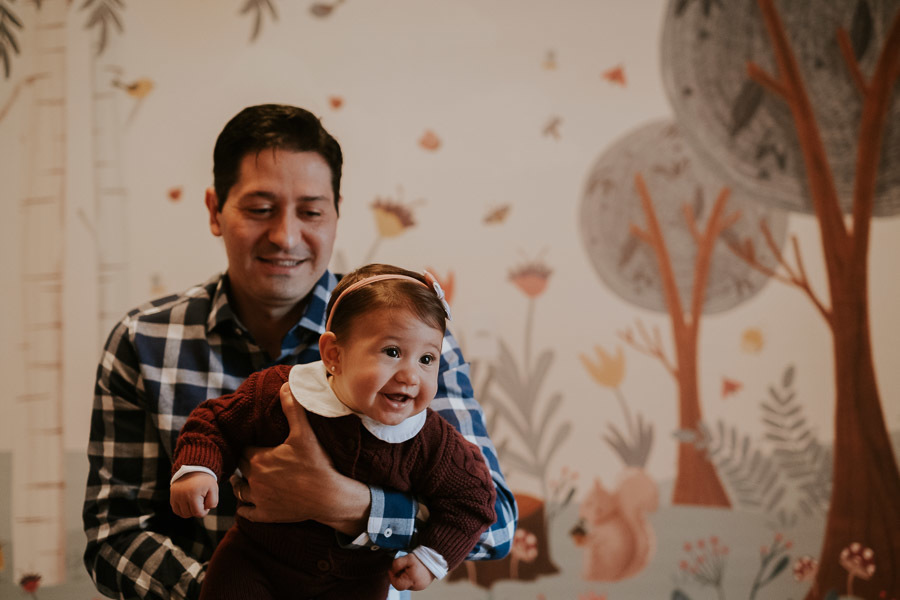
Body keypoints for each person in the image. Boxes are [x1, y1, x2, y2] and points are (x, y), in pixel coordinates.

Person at [82, 104, 517, 600]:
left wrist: (345, 502)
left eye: (310, 211)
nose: (286, 236)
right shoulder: (144, 343)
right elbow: (114, 536)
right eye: (259, 209)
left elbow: (496, 523)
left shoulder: (413, 346)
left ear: (335, 215)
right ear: (214, 211)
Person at [170, 263, 497, 599]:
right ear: (333, 355)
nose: (411, 376)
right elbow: (216, 421)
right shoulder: (282, 393)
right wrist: (199, 468)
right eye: (393, 352)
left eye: (427, 359)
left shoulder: (431, 442)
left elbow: (474, 500)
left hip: (355, 582)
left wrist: (430, 557)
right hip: (255, 562)